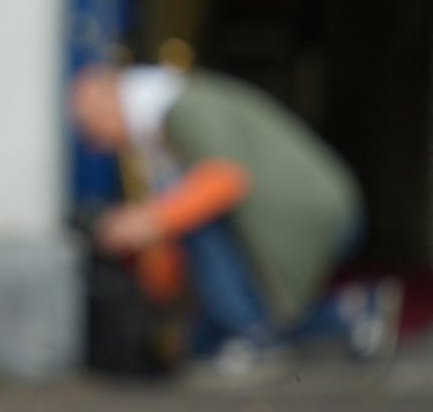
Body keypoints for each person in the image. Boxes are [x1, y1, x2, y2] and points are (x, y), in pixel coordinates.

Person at [69, 62, 399, 380]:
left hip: (308, 213)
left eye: (89, 125)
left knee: (197, 223)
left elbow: (223, 181)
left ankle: (251, 336)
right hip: (296, 212)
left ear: (112, 99)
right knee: (204, 345)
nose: (95, 143)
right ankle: (352, 314)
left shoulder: (183, 108)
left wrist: (145, 221)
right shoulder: (165, 121)